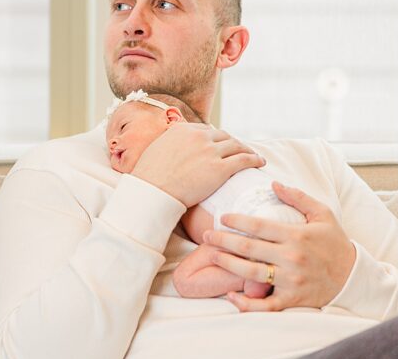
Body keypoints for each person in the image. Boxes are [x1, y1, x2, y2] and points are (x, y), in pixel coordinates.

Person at [0, 0, 398, 359]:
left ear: (230, 46)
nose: (133, 20)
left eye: (165, 2)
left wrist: (348, 276)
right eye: (120, 4)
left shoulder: (309, 161)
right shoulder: (56, 172)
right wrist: (153, 191)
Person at [104, 89, 304, 300]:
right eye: (109, 144)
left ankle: (257, 272)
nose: (112, 143)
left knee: (186, 279)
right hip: (236, 240)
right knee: (184, 280)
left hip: (264, 206)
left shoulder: (194, 139)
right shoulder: (140, 189)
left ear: (171, 118)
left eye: (124, 127)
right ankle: (251, 277)